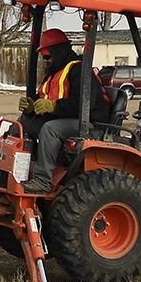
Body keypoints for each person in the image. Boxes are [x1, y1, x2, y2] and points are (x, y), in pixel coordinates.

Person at [16, 28, 111, 193]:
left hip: (90, 123)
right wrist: (32, 108)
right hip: (68, 118)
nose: (45, 61)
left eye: (47, 56)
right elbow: (47, 99)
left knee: (50, 129)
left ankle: (43, 181)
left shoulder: (80, 71)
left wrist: (53, 107)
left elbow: (81, 104)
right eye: (43, 57)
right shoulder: (55, 74)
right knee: (21, 124)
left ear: (58, 52)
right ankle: (13, 172)